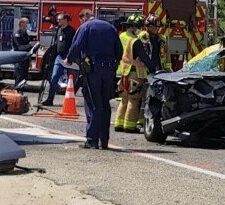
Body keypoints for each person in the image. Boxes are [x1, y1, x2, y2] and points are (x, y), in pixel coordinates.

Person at [65, 9, 123, 150]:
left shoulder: (85, 27)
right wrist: (113, 65)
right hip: (109, 71)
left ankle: (92, 140)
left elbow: (76, 46)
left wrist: (69, 59)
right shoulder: (111, 28)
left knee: (93, 103)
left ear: (83, 18)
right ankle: (104, 140)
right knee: (105, 104)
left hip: (94, 71)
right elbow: (119, 50)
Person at [114, 14, 155, 133]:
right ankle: (130, 126)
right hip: (134, 74)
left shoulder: (121, 36)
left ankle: (119, 123)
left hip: (122, 74)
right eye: (139, 27)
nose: (140, 29)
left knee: (124, 100)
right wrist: (153, 69)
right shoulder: (135, 41)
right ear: (133, 27)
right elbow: (144, 57)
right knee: (134, 100)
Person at [40, 14, 76, 106]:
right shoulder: (58, 30)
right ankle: (50, 99)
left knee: (70, 79)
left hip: (69, 56)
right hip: (59, 56)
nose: (58, 21)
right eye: (58, 20)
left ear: (65, 20)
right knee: (54, 77)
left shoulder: (71, 31)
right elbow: (56, 44)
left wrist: (70, 57)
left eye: (60, 20)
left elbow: (74, 45)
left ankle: (69, 101)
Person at [11, 17, 34, 85]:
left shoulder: (25, 33)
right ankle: (17, 91)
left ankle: (21, 92)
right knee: (19, 76)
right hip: (19, 59)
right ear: (21, 24)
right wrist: (30, 45)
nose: (27, 25)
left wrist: (29, 60)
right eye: (26, 23)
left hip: (25, 58)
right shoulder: (17, 34)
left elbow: (27, 49)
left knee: (24, 77)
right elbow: (20, 47)